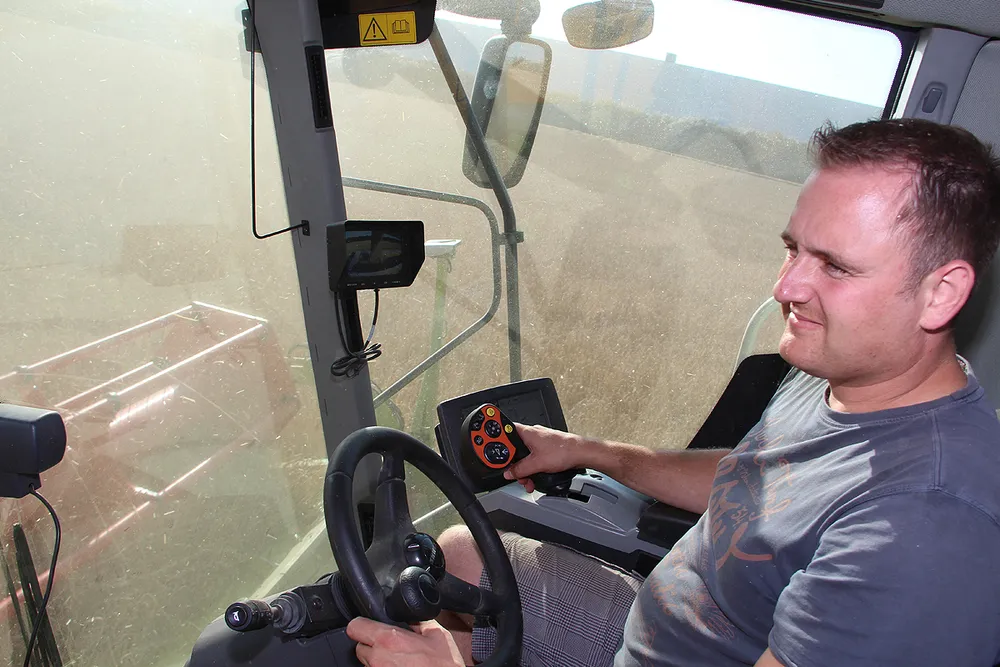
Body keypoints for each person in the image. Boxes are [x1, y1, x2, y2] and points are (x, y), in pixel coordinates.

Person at [347, 117, 1000, 666]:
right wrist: (589, 451)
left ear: (941, 293)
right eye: (793, 249)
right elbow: (757, 478)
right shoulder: (843, 374)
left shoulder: (923, 531)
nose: (786, 287)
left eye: (834, 266)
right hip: (661, 617)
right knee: (461, 554)